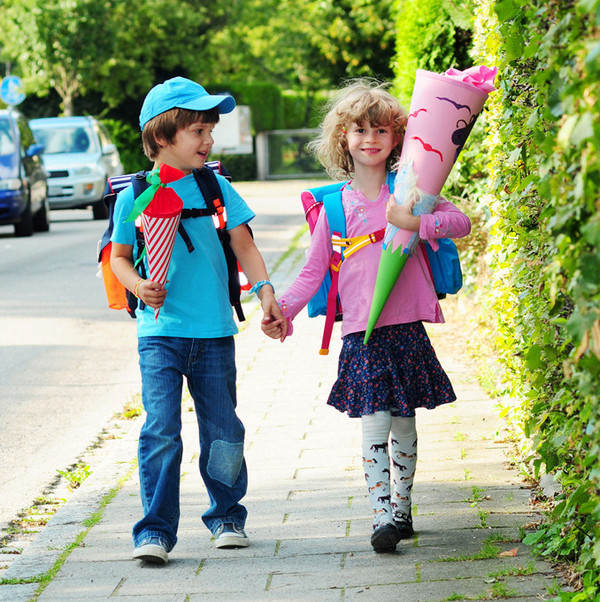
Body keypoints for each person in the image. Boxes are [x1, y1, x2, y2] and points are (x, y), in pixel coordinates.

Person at [262, 80, 471, 553]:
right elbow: (313, 271)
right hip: (362, 331)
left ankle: (402, 507)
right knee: (373, 420)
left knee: (404, 420)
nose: (370, 138)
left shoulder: (414, 191)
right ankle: (381, 516)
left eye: (381, 130)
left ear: (398, 137)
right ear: (343, 138)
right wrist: (285, 312)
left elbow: (462, 223)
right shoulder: (334, 207)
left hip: (406, 326)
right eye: (360, 130)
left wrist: (416, 221)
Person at [110, 76, 287, 565]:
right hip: (159, 332)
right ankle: (155, 532)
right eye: (199, 132)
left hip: (213, 333)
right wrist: (138, 286)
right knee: (161, 431)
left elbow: (244, 245)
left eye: (211, 130)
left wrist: (266, 290)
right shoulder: (136, 194)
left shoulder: (215, 186)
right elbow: (119, 258)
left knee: (223, 428)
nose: (209, 141)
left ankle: (228, 517)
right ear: (162, 136)